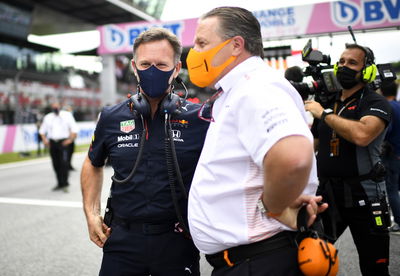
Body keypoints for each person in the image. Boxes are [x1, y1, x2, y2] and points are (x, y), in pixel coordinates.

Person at [186, 7, 327, 276]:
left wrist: (273, 207)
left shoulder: (255, 87)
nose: (195, 51)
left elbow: (293, 155)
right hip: (252, 259)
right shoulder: (239, 89)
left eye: (202, 43)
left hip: (259, 260)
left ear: (236, 45)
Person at [81, 28, 209, 276]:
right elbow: (92, 163)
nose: (152, 70)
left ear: (176, 68)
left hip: (177, 241)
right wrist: (91, 213)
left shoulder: (199, 119)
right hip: (121, 241)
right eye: (146, 63)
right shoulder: (111, 117)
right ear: (133, 66)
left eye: (161, 64)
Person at [305, 44, 392, 275]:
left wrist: (324, 114)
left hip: (365, 195)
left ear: (367, 71)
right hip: (328, 194)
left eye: (352, 63)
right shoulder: (329, 102)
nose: (344, 67)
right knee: (310, 260)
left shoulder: (375, 102)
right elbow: (311, 145)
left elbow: (362, 135)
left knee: (375, 268)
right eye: (341, 62)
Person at [39, 101, 78, 192]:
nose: (55, 108)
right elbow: (42, 131)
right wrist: (45, 140)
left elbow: (74, 129)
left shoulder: (67, 115)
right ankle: (59, 183)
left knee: (64, 163)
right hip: (53, 143)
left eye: (56, 106)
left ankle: (65, 183)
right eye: (53, 106)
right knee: (55, 163)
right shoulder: (48, 117)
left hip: (64, 143)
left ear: (60, 106)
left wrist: (70, 140)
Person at [380, 80, 400, 233]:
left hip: (392, 154)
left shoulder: (387, 108)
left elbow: (387, 130)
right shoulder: (398, 105)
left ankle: (398, 221)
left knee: (391, 190)